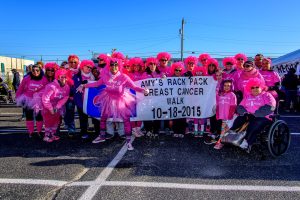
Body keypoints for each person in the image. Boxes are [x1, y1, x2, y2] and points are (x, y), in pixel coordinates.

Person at [77, 58, 148, 150]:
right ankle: (102, 136)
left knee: (126, 119)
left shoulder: (124, 77)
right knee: (103, 118)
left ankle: (128, 141)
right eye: (111, 65)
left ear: (118, 67)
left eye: (115, 65)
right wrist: (83, 85)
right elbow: (96, 84)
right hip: (108, 99)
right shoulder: (105, 76)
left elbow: (134, 87)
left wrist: (144, 91)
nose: (113, 67)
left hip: (121, 100)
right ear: (109, 67)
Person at [231, 78, 276, 152]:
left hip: (263, 117)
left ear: (261, 87)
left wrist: (255, 114)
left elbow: (270, 107)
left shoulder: (267, 95)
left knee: (255, 123)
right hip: (248, 116)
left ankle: (247, 142)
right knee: (239, 119)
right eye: (252, 87)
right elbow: (240, 107)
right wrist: (245, 113)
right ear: (250, 88)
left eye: (257, 87)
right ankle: (232, 137)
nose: (255, 89)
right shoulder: (247, 97)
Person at [15, 64, 48, 138]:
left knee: (39, 117)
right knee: (29, 116)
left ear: (40, 70)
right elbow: (21, 88)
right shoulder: (26, 78)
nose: (35, 72)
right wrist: (18, 97)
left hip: (39, 101)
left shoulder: (44, 79)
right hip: (28, 100)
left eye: (37, 70)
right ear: (31, 71)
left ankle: (39, 131)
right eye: (33, 70)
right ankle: (31, 132)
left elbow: (47, 89)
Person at [42, 69, 71, 142]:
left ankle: (53, 134)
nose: (63, 78)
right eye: (61, 77)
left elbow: (65, 97)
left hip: (57, 107)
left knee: (56, 121)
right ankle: (47, 135)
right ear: (58, 77)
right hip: (48, 106)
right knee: (48, 121)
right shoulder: (51, 86)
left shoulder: (67, 87)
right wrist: (50, 108)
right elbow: (45, 98)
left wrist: (58, 106)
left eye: (65, 77)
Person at [73, 60, 95, 139]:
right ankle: (84, 132)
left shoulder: (93, 76)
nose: (89, 68)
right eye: (87, 66)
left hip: (90, 100)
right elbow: (74, 87)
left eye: (90, 67)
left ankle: (97, 131)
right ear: (83, 66)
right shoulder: (77, 76)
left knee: (94, 116)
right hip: (80, 100)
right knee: (82, 117)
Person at [214, 79, 237, 150]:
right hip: (221, 114)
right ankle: (223, 141)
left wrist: (230, 115)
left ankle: (219, 142)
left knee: (224, 129)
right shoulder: (219, 94)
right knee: (223, 129)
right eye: (225, 86)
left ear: (231, 87)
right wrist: (217, 114)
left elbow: (233, 106)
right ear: (222, 86)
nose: (226, 87)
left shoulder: (232, 95)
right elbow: (217, 105)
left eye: (228, 86)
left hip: (228, 115)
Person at [64, 54, 80, 137]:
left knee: (82, 112)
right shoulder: (65, 71)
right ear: (68, 62)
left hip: (80, 95)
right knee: (70, 112)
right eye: (71, 62)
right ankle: (71, 129)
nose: (73, 63)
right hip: (70, 96)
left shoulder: (81, 70)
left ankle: (85, 127)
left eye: (75, 62)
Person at [169, 62, 186, 138]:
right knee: (175, 115)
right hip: (174, 100)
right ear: (174, 70)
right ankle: (175, 131)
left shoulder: (184, 78)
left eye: (179, 70)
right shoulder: (170, 79)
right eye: (176, 70)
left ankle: (182, 131)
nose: (178, 72)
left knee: (182, 115)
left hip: (182, 100)